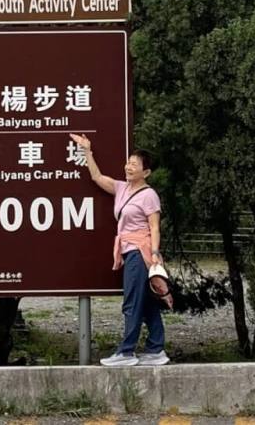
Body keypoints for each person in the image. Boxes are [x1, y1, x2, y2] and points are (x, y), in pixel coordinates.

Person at [69, 133, 169, 367]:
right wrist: (87, 150)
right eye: (128, 162)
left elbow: (154, 227)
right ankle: (156, 349)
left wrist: (155, 254)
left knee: (132, 302)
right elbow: (96, 177)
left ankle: (126, 352)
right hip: (128, 250)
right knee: (145, 302)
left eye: (135, 164)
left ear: (146, 172)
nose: (129, 166)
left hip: (140, 251)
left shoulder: (149, 195)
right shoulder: (122, 188)